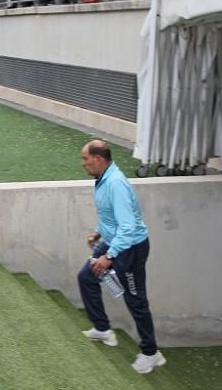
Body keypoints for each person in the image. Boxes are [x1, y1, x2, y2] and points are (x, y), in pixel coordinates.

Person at [77, 140, 165, 375]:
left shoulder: (115, 183)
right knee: (86, 277)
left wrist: (109, 256)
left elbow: (127, 227)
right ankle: (103, 329)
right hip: (112, 242)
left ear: (98, 159)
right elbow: (110, 215)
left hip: (129, 249)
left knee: (135, 299)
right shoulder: (103, 179)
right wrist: (98, 231)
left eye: (85, 158)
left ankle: (151, 353)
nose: (83, 163)